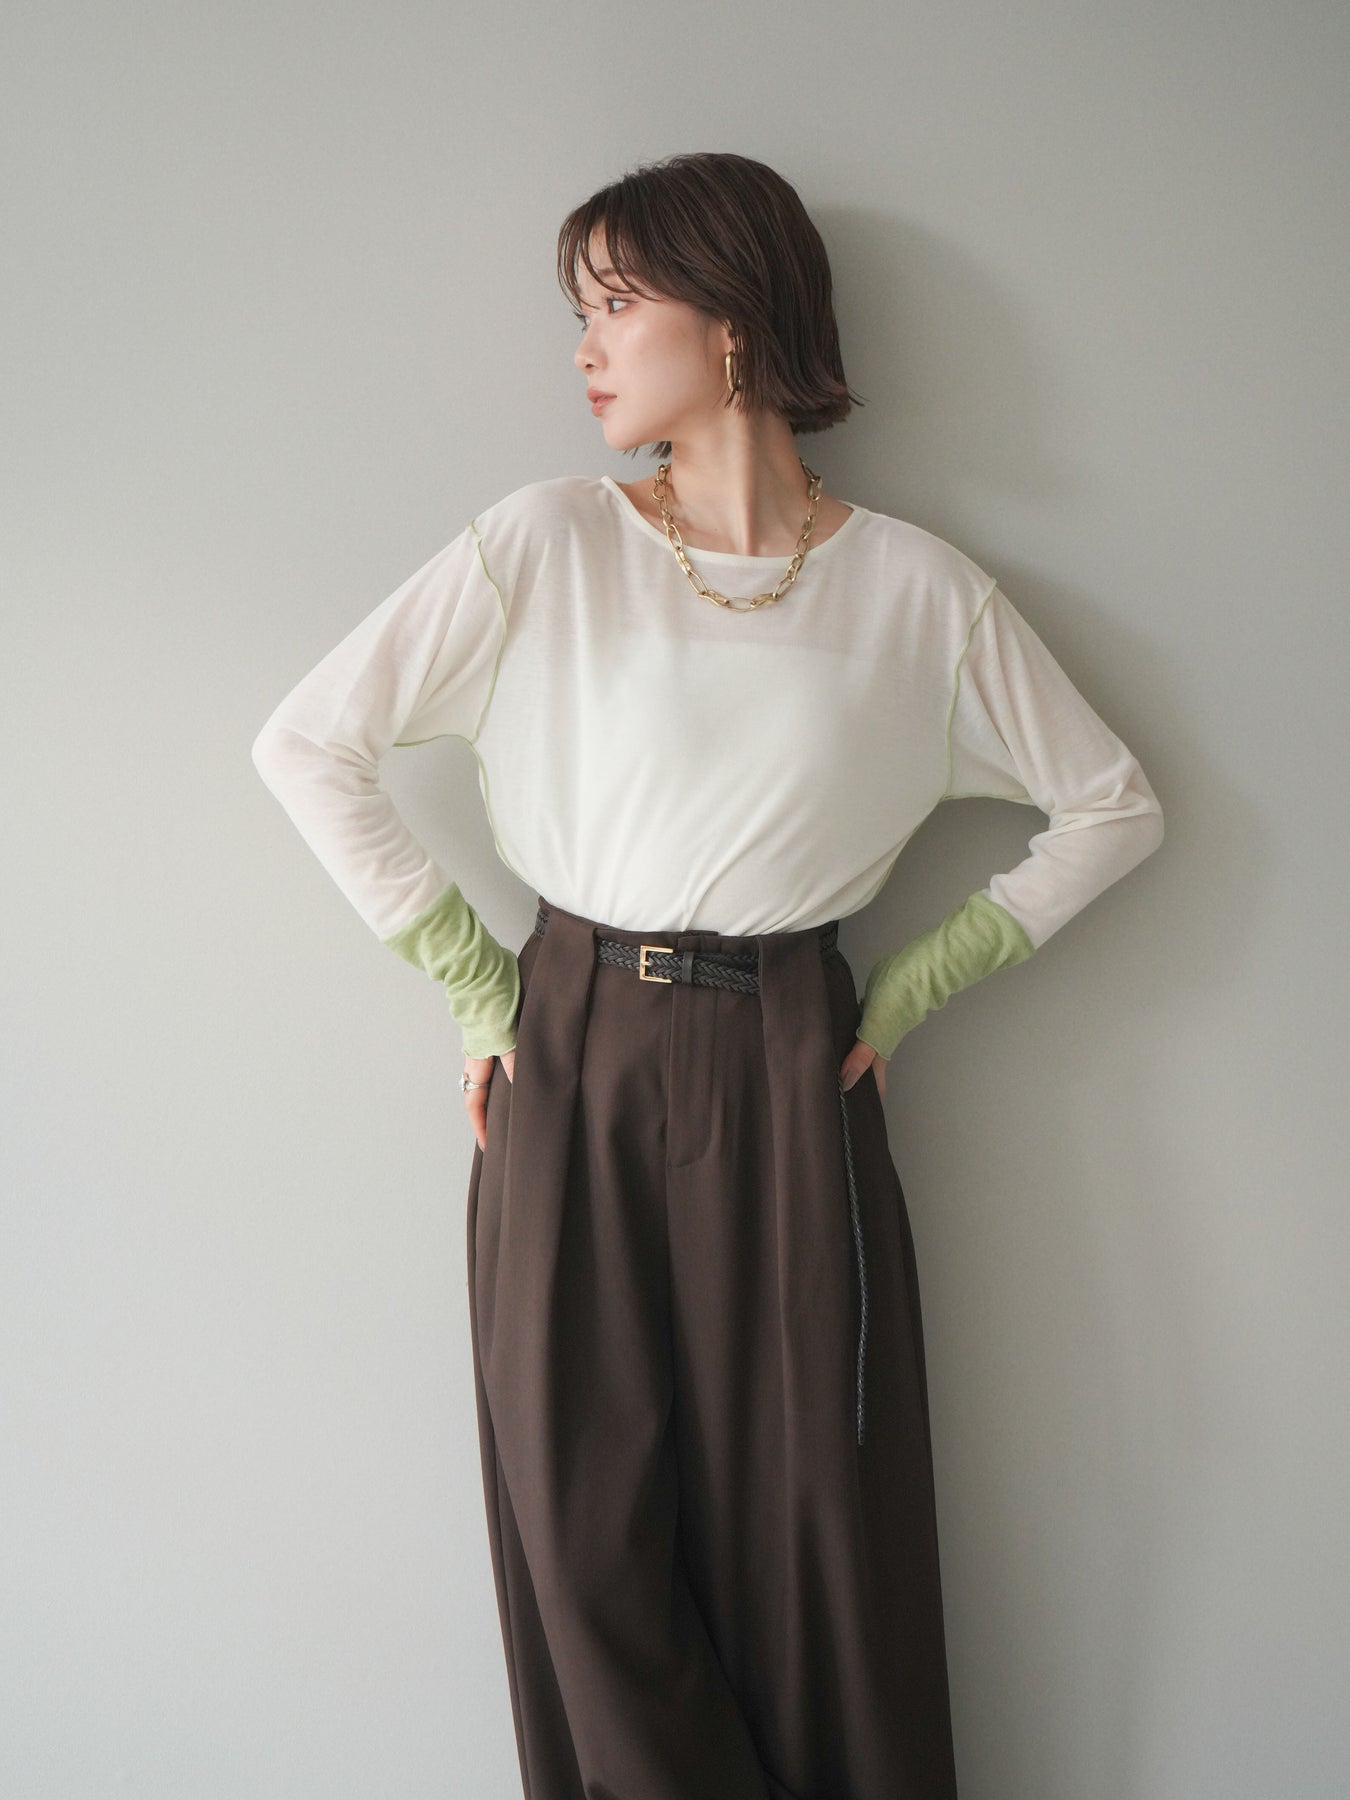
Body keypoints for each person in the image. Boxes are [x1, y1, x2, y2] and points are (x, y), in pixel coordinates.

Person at [251, 151, 1163, 1800]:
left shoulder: (915, 592)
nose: (584, 347)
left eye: (616, 303)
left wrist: (908, 991)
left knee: (808, 1527)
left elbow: (1113, 808)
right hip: (571, 1041)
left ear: (731, 317)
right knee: (580, 1526)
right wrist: (472, 984)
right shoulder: (545, 544)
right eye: (580, 311)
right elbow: (307, 743)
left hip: (789, 1051)